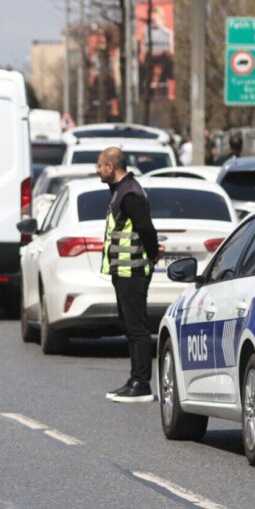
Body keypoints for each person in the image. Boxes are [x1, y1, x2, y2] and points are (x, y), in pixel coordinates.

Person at [96, 147, 160, 403]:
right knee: (130, 327)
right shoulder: (121, 191)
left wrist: (153, 253)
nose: (97, 170)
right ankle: (135, 378)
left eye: (100, 165)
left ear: (111, 167)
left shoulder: (130, 193)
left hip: (132, 270)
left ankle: (141, 383)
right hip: (123, 270)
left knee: (137, 328)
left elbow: (145, 227)